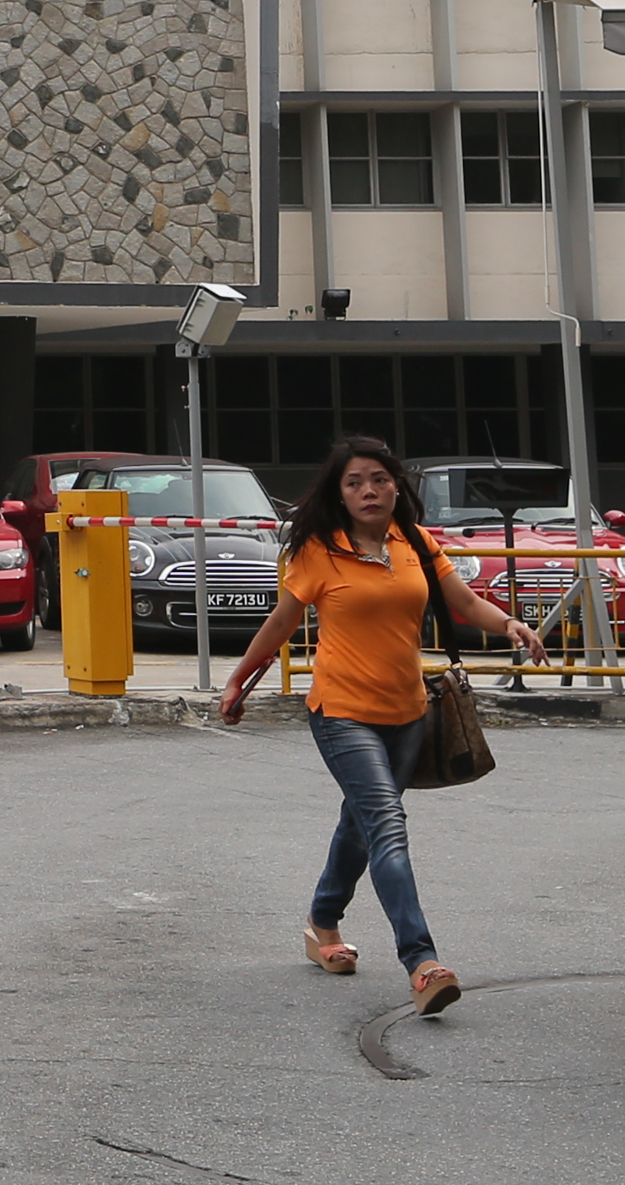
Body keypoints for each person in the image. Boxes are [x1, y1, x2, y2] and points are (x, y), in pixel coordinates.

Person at [217, 434, 543, 1016]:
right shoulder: (318, 551)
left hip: (409, 711)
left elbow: (465, 604)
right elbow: (281, 623)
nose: (368, 491)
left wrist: (511, 625)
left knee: (361, 824)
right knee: (386, 825)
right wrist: (240, 678)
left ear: (397, 485)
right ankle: (422, 962)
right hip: (342, 712)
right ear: (339, 494)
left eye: (379, 479)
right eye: (354, 482)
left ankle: (321, 923)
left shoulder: (414, 541)